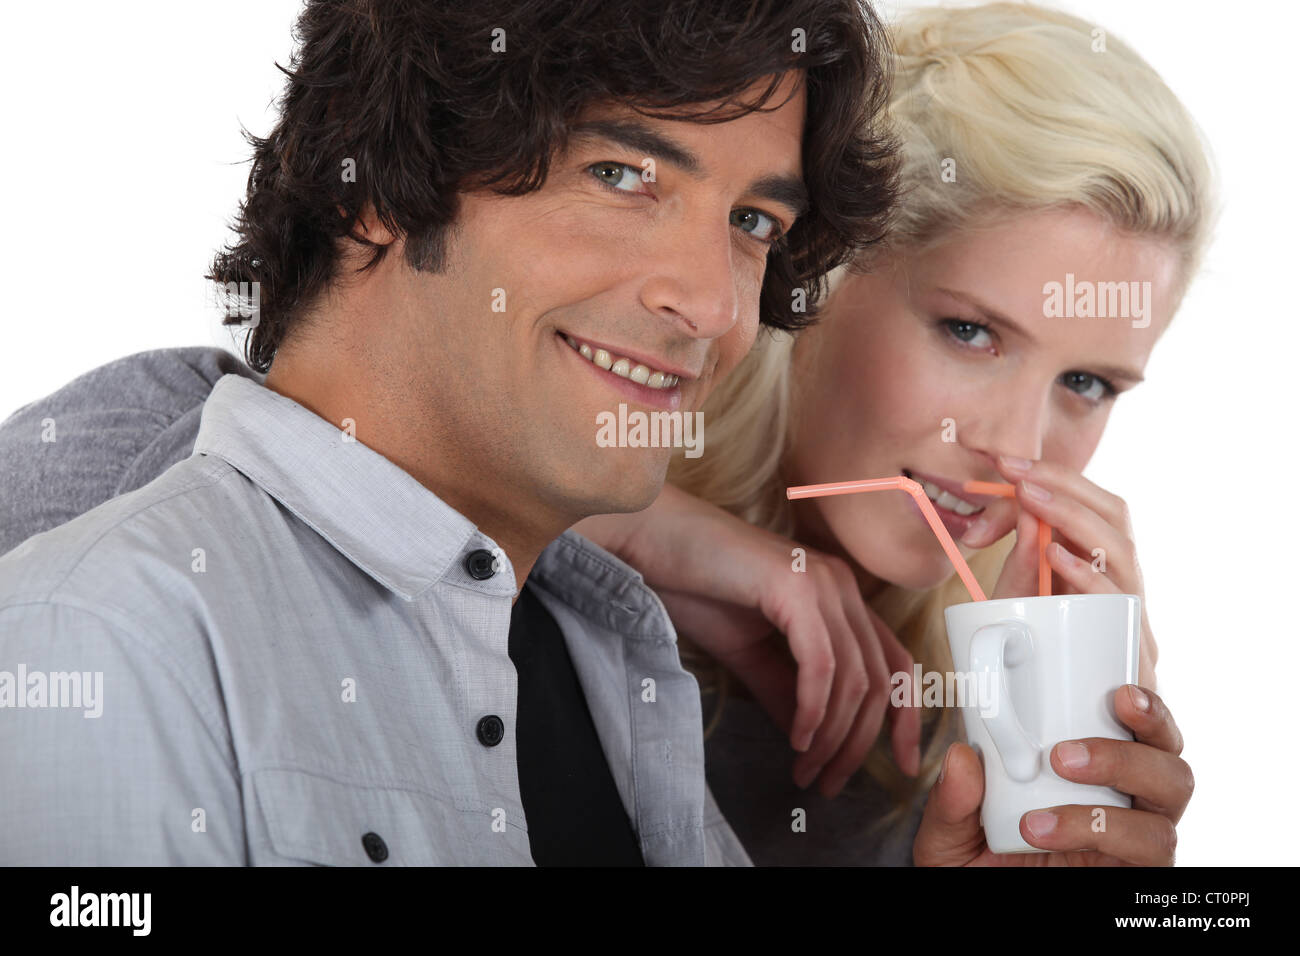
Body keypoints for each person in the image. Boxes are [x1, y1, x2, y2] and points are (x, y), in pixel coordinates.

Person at [0, 0, 899, 865]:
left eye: (752, 223)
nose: (710, 306)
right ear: (385, 180)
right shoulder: (105, 631)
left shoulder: (621, 659)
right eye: (621, 176)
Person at [573, 1, 1211, 865]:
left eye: (1087, 384)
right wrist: (604, 526)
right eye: (970, 332)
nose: (1015, 445)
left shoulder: (994, 736)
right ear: (820, 271)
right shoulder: (533, 573)